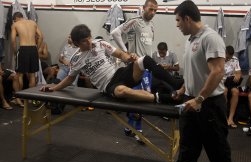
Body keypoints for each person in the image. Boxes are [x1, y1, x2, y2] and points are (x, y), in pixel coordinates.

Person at [169, 1, 237, 162]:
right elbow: (193, 71)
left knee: (219, 155)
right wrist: (183, 89)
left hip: (209, 106)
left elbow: (218, 71)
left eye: (178, 21)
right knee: (186, 153)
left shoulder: (210, 38)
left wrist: (199, 98)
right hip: (190, 102)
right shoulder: (191, 39)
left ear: (187, 18)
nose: (177, 25)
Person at [40, 24, 182, 105]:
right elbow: (70, 79)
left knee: (144, 59)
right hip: (109, 86)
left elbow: (120, 54)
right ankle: (160, 98)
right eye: (84, 40)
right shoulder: (76, 59)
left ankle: (176, 84)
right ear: (77, 43)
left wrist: (129, 57)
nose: (89, 42)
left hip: (120, 74)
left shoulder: (100, 43)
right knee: (123, 92)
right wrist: (55, 87)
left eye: (89, 37)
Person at [111, 0, 158, 142]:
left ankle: (128, 127)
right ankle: (138, 131)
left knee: (143, 97)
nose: (153, 13)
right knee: (139, 99)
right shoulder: (135, 21)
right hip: (136, 68)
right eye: (150, 9)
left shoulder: (151, 26)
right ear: (143, 8)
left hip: (147, 69)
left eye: (155, 10)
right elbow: (115, 33)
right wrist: (126, 52)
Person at [11, 12, 43, 90]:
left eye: (14, 20)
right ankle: (30, 99)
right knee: (32, 75)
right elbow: (41, 37)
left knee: (20, 75)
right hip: (33, 49)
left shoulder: (15, 24)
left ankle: (21, 97)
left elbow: (13, 40)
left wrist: (15, 52)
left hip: (23, 49)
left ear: (16, 18)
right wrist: (37, 48)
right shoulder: (33, 23)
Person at [224, 45, 242, 128]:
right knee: (224, 91)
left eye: (230, 57)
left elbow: (238, 72)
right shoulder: (219, 58)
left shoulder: (235, 59)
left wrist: (237, 76)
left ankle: (230, 118)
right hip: (220, 81)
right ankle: (224, 117)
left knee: (236, 92)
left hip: (230, 82)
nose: (228, 59)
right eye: (227, 57)